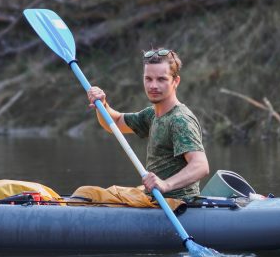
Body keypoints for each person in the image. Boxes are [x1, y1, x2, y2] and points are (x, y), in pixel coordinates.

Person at [70, 48, 209, 207]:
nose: (153, 85)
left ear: (175, 81)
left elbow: (200, 166)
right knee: (86, 194)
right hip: (152, 196)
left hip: (175, 203)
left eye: (161, 79)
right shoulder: (152, 115)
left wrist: (165, 184)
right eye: (148, 79)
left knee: (86, 195)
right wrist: (102, 104)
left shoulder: (180, 120)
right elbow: (115, 123)